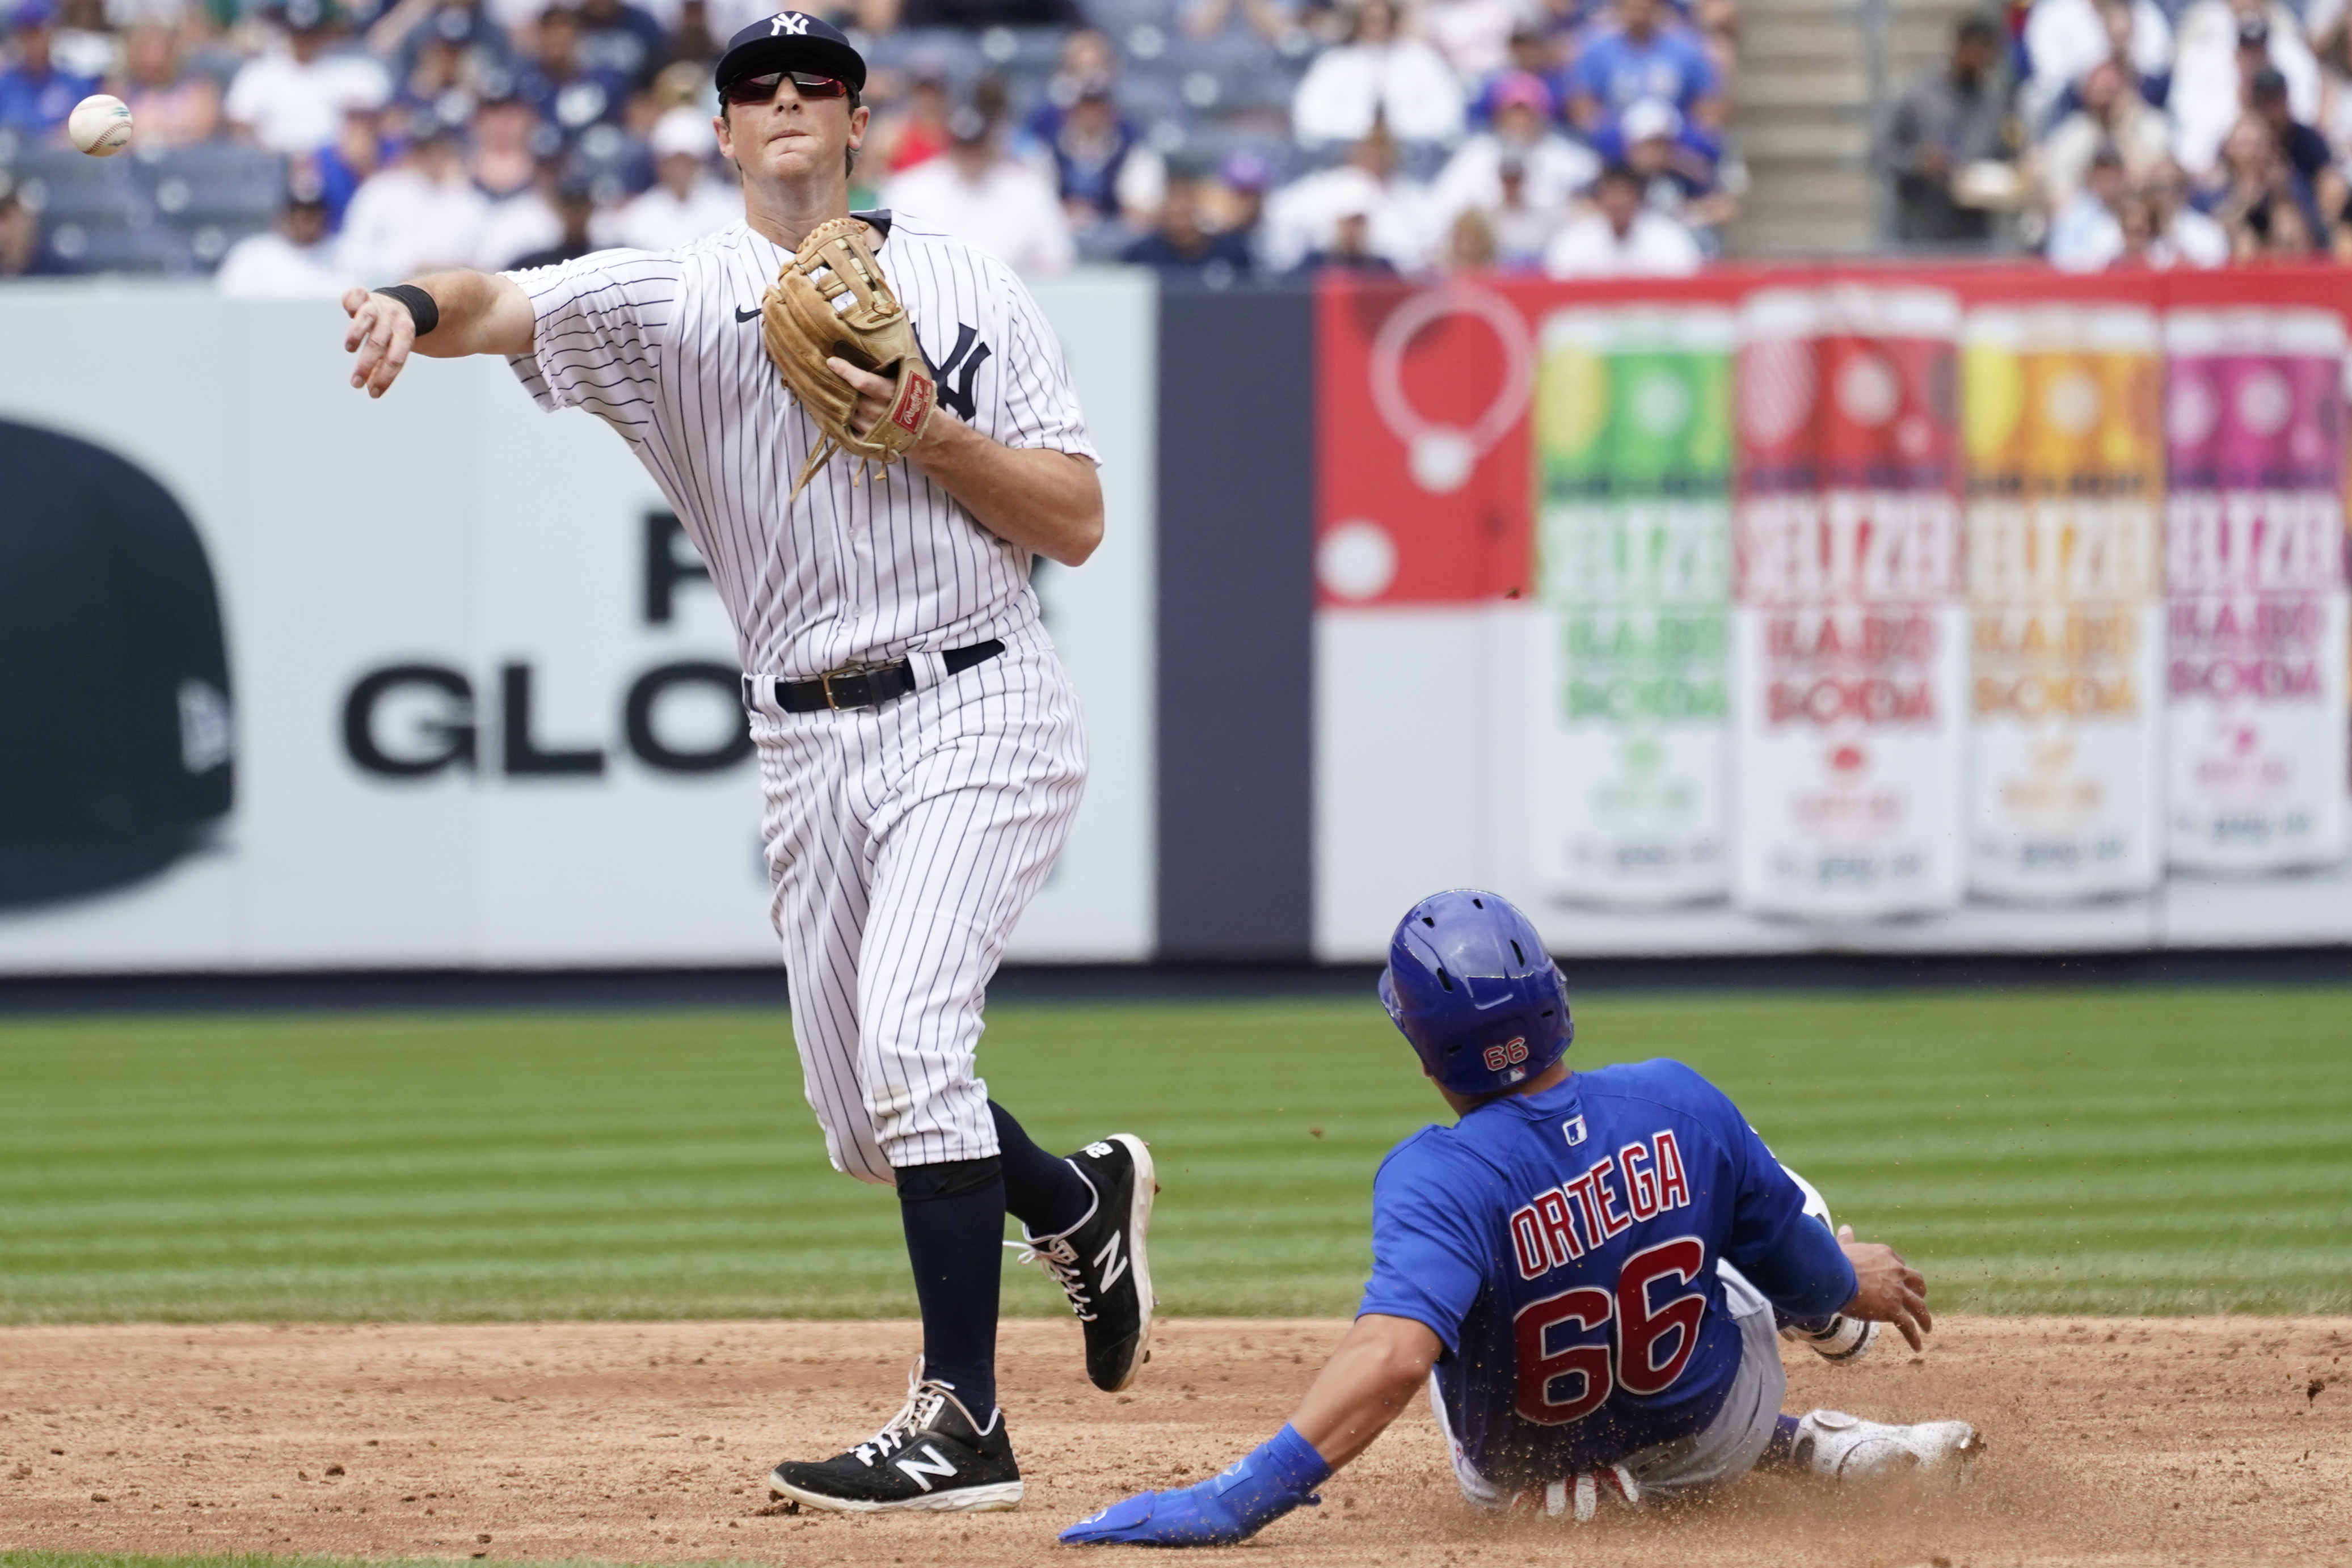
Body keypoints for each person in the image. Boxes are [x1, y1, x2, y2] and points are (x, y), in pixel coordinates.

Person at [335, 9, 1152, 1516]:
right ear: (721, 132)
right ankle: (1071, 1197)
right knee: (870, 1120)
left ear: (857, 121)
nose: (784, 101)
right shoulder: (666, 293)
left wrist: (933, 436)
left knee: (915, 1047)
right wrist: (398, 301)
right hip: (801, 731)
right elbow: (491, 300)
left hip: (977, 695)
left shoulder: (971, 284)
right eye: (754, 87)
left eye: (814, 84)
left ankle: (959, 1419)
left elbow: (1078, 520)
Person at [1061, 890, 1979, 1547]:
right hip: (1718, 1430)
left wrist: (1233, 1500)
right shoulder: (1675, 1095)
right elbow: (1799, 1259)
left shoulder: (1434, 1173)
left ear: (1424, 1054)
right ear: (1559, 999)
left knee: (1441, 1295)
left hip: (1522, 1477)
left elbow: (1390, 1357)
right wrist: (1842, 1277)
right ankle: (1828, 1368)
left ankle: (1625, 1469)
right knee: (1772, 1205)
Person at [884, 101, 1075, 276]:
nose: (972, 157)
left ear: (991, 145)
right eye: (965, 148)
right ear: (952, 146)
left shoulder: (1029, 191)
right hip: (931, 296)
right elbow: (889, 256)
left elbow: (1057, 257)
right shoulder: (909, 188)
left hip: (1012, 295)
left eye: (978, 147)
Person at [1879, 16, 2008, 245]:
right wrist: (1918, 163)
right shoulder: (1919, 97)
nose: (1983, 63)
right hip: (1922, 235)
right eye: (1978, 53)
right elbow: (1881, 155)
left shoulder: (1993, 107)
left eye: (1989, 58)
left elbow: (2005, 159)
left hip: (1975, 234)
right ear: (1959, 47)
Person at [1427, 71, 1598, 234]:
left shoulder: (1567, 157)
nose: (1520, 121)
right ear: (1499, 115)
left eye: (1527, 113)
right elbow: (1443, 206)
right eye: (1513, 113)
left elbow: (1597, 202)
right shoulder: (1477, 154)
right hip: (1491, 246)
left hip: (1548, 247)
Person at [224, 0, 394, 157]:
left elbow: (385, 118)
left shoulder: (352, 71)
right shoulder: (259, 73)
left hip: (332, 164)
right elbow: (240, 126)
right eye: (298, 35)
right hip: (273, 163)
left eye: (311, 34)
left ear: (324, 33)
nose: (304, 42)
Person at [1290, 0, 1467, 149]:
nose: (1378, 27)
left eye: (1384, 20)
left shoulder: (1421, 60)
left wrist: (1403, 134)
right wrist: (1358, 135)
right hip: (1346, 152)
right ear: (1359, 22)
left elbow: (1448, 112)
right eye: (1372, 20)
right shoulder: (1336, 63)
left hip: (1413, 151)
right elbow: (1309, 116)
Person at [1564, 0, 1724, 144]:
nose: (1639, 16)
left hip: (1673, 140)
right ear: (1619, 9)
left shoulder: (1687, 49)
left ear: (1658, 9)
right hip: (1615, 142)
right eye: (1632, 9)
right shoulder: (1596, 50)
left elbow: (1707, 109)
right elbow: (1582, 109)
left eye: (1645, 9)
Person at [606, 103, 740, 247]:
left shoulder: (733, 208)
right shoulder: (638, 216)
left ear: (703, 162)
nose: (679, 169)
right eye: (672, 160)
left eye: (687, 160)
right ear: (659, 163)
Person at [1544, 159, 1702, 274]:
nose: (1618, 203)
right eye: (1611, 195)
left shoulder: (1669, 237)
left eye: (1625, 194)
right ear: (1599, 200)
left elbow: (1686, 282)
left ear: (1639, 199)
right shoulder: (1574, 239)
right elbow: (1558, 284)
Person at [215, 170, 355, 296]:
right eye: (299, 212)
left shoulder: (346, 254)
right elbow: (227, 299)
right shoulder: (252, 254)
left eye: (314, 212)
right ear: (284, 215)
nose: (306, 219)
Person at [1120, 166, 1254, 284]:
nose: (1180, 208)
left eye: (1186, 200)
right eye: (1174, 200)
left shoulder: (1231, 251)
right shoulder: (1141, 255)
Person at [0, 0, 99, 142]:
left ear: (52, 32)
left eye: (38, 33)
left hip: (62, 161)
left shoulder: (76, 84)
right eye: (26, 34)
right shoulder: (5, 86)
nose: (33, 43)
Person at [118, 21, 222, 149]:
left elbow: (203, 133)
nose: (153, 59)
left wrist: (159, 138)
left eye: (160, 49)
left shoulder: (199, 88)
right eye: (145, 50)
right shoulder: (119, 90)